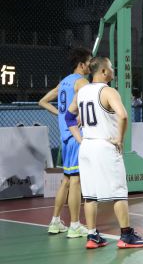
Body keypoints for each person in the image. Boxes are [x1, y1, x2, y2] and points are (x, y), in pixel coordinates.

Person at [66, 56, 143, 249]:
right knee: (119, 192)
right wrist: (119, 139)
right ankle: (126, 235)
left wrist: (80, 139)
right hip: (104, 145)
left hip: (87, 147)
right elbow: (123, 115)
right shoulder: (108, 91)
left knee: (90, 195)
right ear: (103, 71)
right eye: (111, 67)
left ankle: (92, 235)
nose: (113, 70)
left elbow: (69, 117)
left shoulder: (82, 91)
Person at [38, 47, 91, 238]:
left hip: (65, 136)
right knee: (76, 180)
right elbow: (89, 105)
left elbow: (42, 101)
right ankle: (75, 225)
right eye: (89, 62)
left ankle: (55, 222)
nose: (91, 65)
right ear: (82, 64)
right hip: (76, 135)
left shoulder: (64, 82)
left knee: (67, 180)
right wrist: (79, 118)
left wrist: (62, 115)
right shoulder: (82, 82)